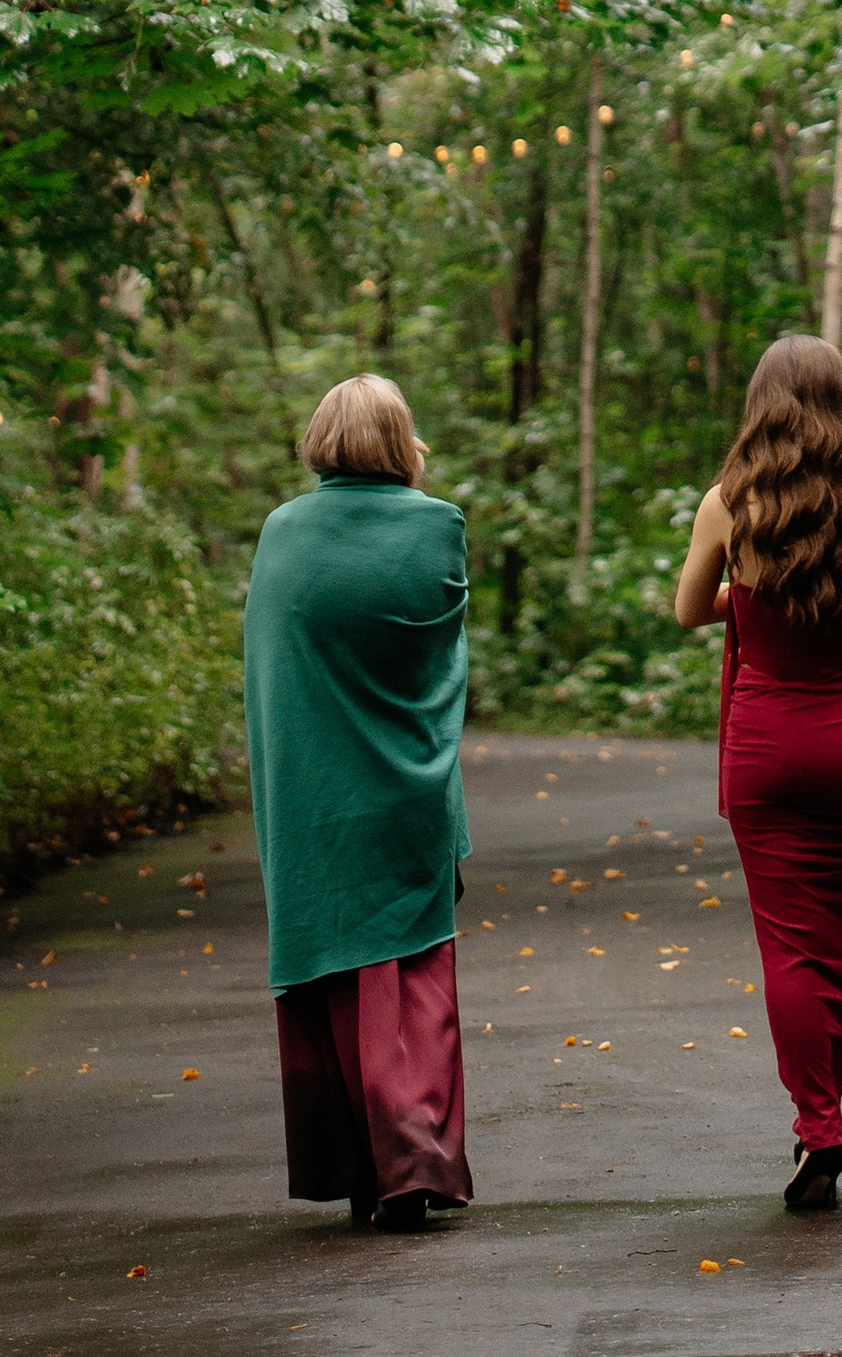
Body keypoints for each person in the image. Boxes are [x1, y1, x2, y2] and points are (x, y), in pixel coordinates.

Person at [673, 333, 842, 1212]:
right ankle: (824, 1111)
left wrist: (749, 585)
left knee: (790, 946)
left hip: (770, 748)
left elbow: (690, 610)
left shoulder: (727, 506)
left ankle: (820, 1125)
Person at [242, 373, 475, 1233]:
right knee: (412, 981)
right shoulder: (437, 526)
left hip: (310, 791)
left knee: (341, 978)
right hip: (407, 784)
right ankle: (411, 1163)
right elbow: (437, 657)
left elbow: (272, 670)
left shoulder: (282, 531)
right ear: (401, 441)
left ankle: (358, 1166)